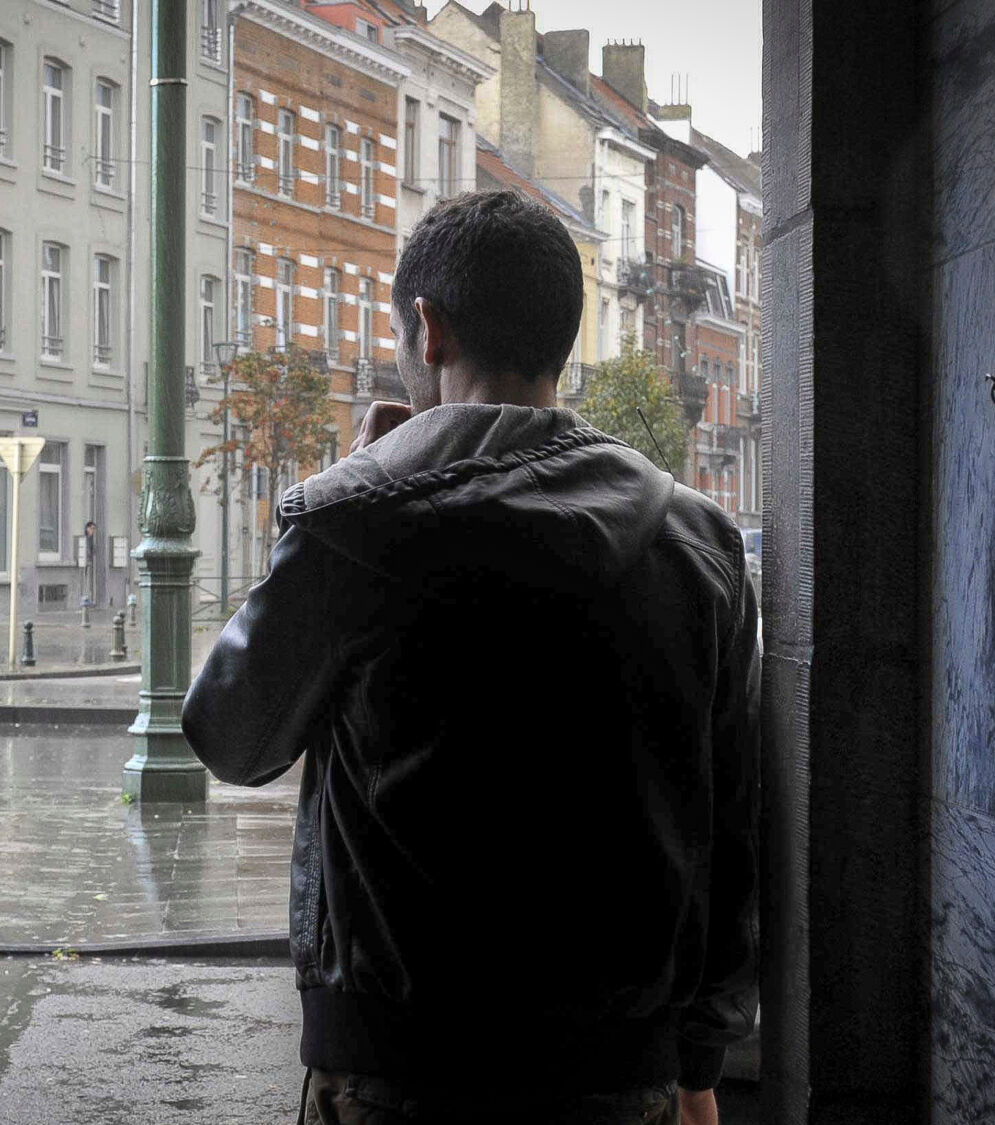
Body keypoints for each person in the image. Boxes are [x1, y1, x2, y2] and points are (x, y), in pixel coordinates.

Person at [181, 190, 758, 1125]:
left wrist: (352, 482)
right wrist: (697, 1063)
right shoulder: (698, 543)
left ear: (430, 327)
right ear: (562, 337)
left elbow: (231, 736)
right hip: (621, 1071)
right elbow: (728, 826)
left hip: (395, 1070)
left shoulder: (356, 527)